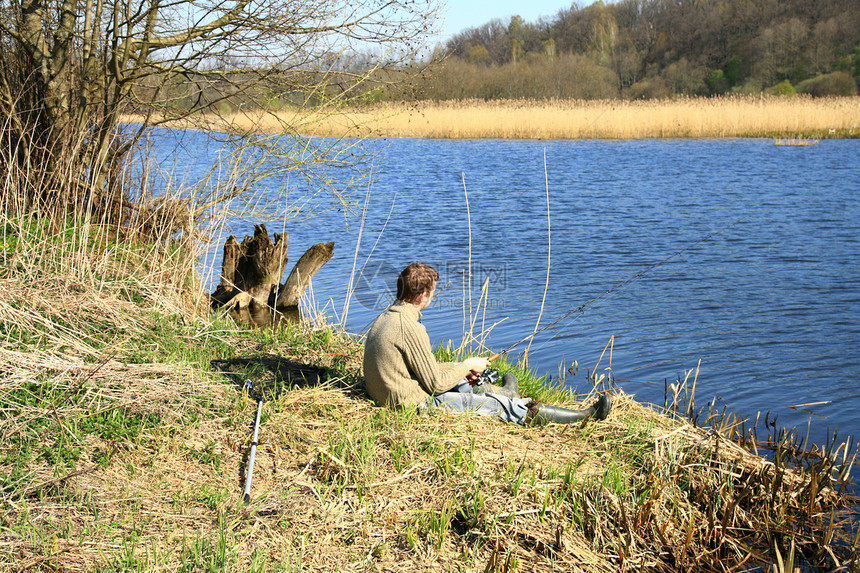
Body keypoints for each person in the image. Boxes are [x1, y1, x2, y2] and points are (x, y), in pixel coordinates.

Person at [362, 262, 612, 425]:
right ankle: (585, 416)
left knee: (461, 381)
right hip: (411, 404)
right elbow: (436, 385)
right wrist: (467, 364)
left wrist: (462, 367)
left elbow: (421, 367)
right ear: (422, 295)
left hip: (393, 392)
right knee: (502, 407)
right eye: (433, 291)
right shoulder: (410, 328)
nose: (433, 296)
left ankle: (509, 391)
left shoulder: (388, 317)